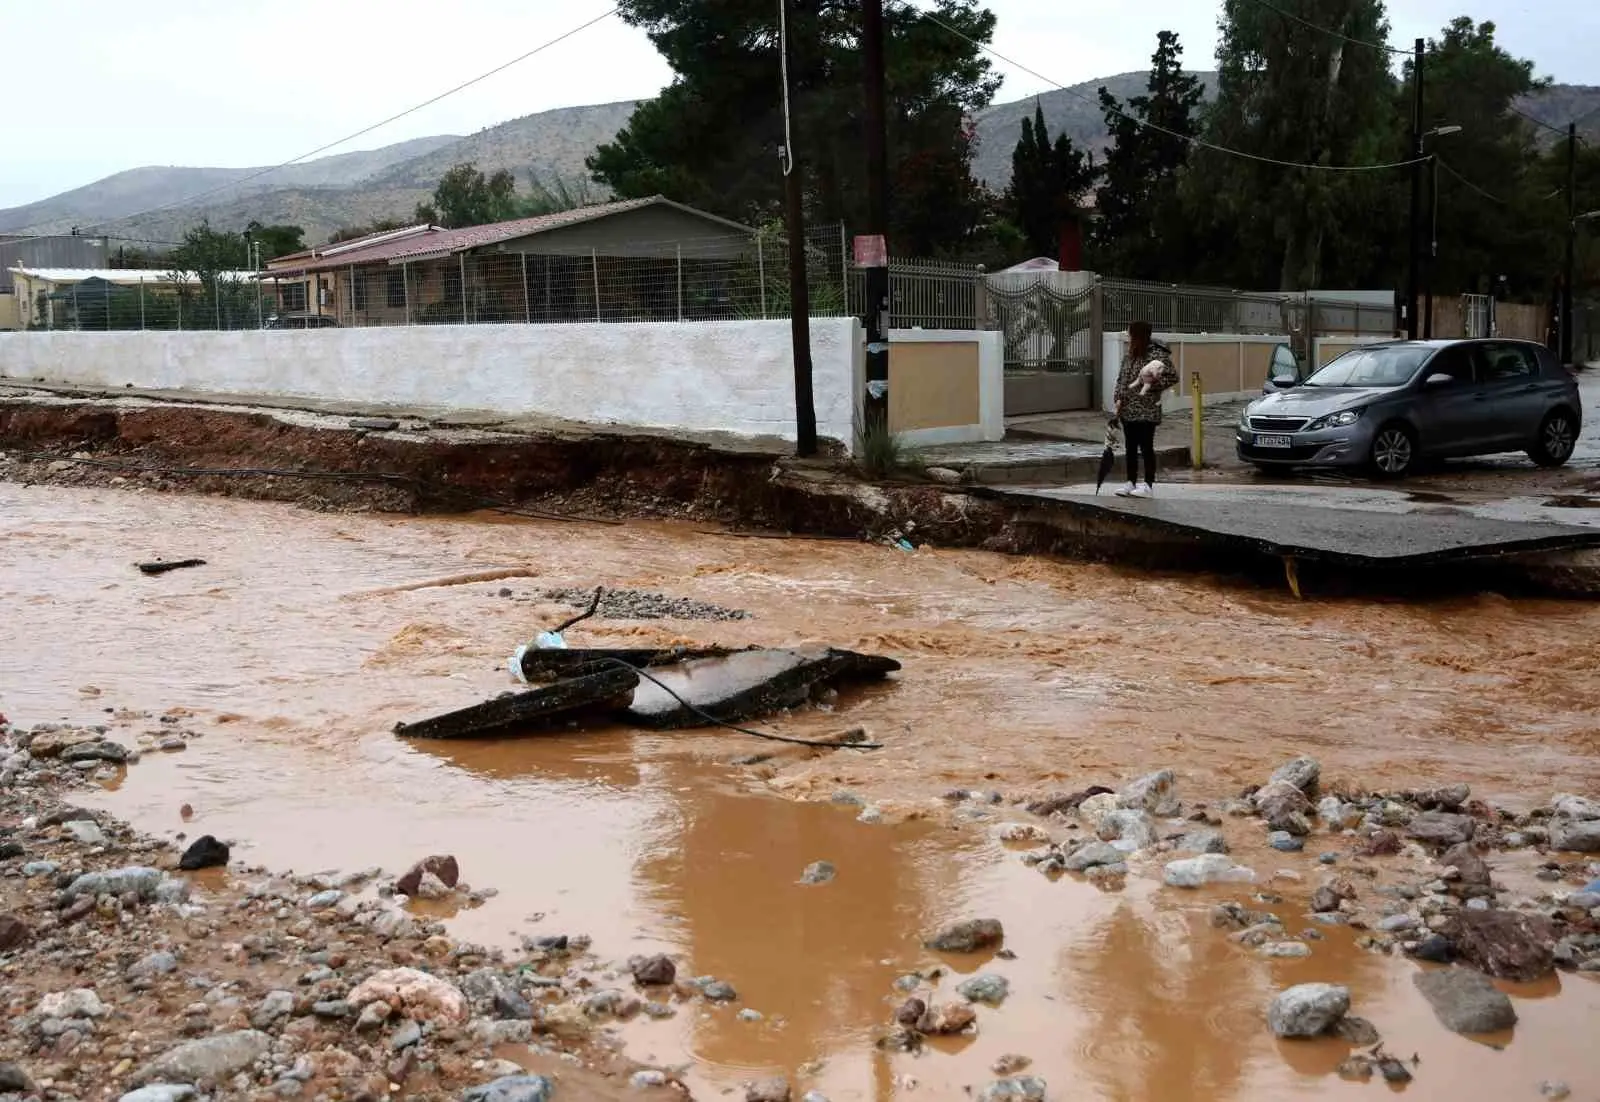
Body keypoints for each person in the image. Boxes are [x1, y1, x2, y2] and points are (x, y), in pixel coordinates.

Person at [1112, 321, 1178, 498]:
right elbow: (1121, 379)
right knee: (1130, 447)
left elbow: (1172, 377)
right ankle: (1130, 482)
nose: (1128, 336)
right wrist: (1118, 398)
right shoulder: (1129, 355)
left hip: (1146, 409)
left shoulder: (1156, 354)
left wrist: (1152, 384)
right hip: (1128, 409)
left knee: (1146, 446)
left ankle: (1148, 484)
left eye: (1130, 333)